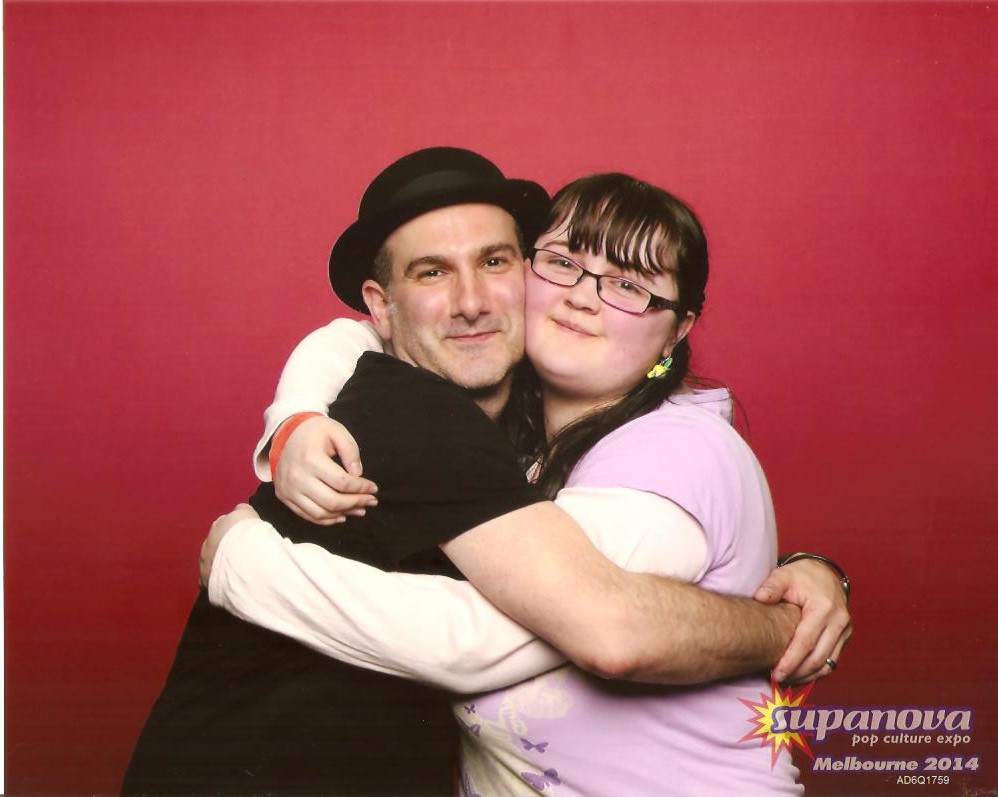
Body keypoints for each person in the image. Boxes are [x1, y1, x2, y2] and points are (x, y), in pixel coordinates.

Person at [198, 151, 851, 794]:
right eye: (564, 263)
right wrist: (295, 417)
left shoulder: (677, 449)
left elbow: (578, 628)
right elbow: (360, 337)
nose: (583, 299)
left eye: (628, 285)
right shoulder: (514, 432)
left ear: (677, 330)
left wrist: (247, 566)